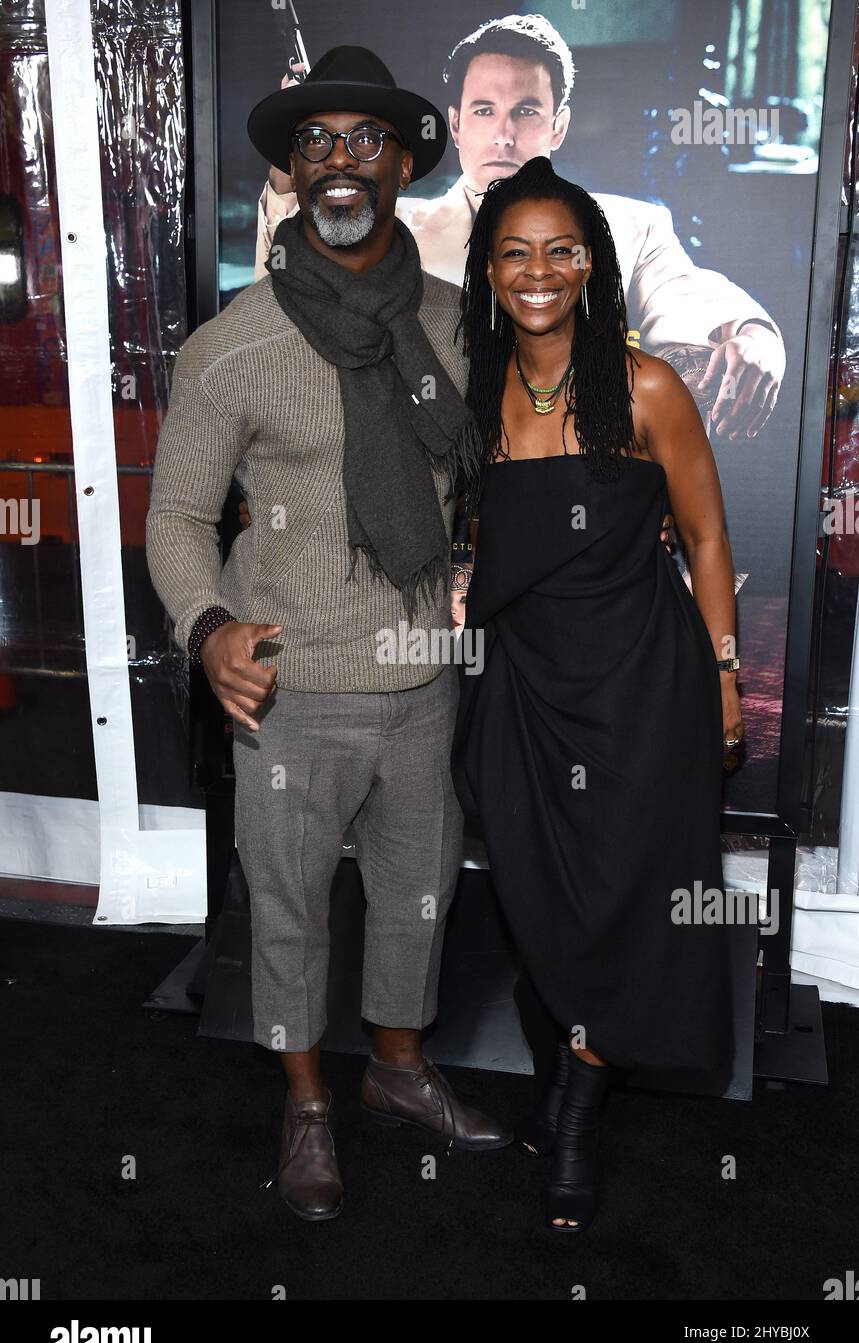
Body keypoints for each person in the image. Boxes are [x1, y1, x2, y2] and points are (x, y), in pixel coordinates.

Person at [146, 45, 513, 1226]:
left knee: (418, 894)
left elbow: (500, 471)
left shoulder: (465, 325)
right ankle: (307, 1102)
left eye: (364, 140)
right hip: (290, 687)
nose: (339, 162)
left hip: (424, 682)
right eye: (315, 143)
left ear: (406, 160)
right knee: (292, 904)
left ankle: (396, 1070)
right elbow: (177, 516)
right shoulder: (231, 344)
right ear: (291, 173)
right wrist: (206, 630)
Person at [451, 156, 743, 1233]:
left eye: (559, 250)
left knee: (629, 895)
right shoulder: (475, 395)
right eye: (515, 252)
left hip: (640, 689)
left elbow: (708, 537)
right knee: (538, 897)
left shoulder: (647, 386)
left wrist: (721, 675)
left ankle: (574, 1111)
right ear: (488, 268)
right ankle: (568, 1054)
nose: (538, 272)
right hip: (522, 694)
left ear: (591, 264)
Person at [255, 13, 784, 443]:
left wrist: (752, 335)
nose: (504, 135)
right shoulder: (394, 233)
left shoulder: (632, 227)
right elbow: (286, 305)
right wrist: (289, 168)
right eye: (485, 111)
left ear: (559, 125)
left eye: (526, 111)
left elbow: (692, 299)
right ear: (457, 123)